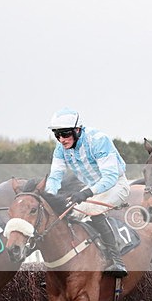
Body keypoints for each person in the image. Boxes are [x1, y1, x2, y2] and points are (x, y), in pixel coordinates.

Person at [45, 108, 129, 277]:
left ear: (77, 130)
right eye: (57, 135)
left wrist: (86, 193)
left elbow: (110, 177)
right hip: (90, 188)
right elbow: (55, 176)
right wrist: (49, 198)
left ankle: (116, 260)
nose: (61, 139)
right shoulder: (60, 148)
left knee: (87, 210)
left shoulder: (98, 140)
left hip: (115, 185)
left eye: (65, 134)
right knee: (66, 212)